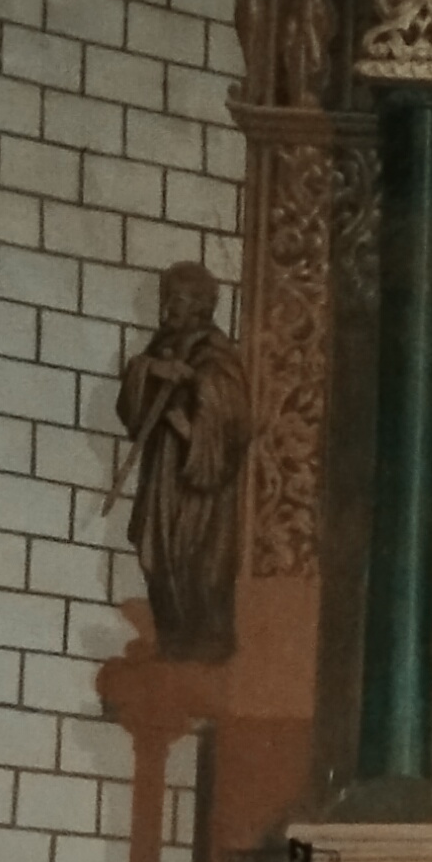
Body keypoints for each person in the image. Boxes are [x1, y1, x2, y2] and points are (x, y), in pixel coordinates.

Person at [111, 260, 251, 660]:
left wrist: (191, 387)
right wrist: (152, 369)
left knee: (199, 563)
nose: (168, 307)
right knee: (154, 555)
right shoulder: (160, 345)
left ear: (201, 306)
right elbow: (133, 402)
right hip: (163, 479)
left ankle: (203, 658)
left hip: (200, 487)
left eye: (179, 300)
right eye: (166, 298)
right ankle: (171, 647)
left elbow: (234, 415)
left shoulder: (217, 351)